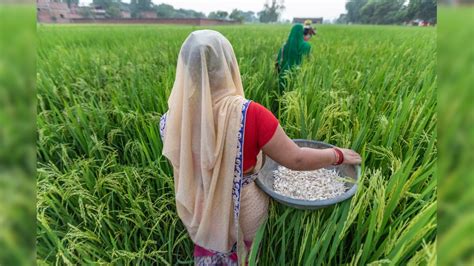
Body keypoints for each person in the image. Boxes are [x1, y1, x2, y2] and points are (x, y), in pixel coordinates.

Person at [159, 30, 361, 265]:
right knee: (248, 256)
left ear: (185, 66)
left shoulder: (172, 119)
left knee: (211, 250)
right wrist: (335, 155)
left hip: (201, 206)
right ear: (229, 63)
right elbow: (295, 159)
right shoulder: (250, 114)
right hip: (244, 207)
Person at [276, 22, 316, 90]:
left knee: (282, 94)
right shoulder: (306, 46)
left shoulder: (284, 46)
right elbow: (307, 62)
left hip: (283, 77)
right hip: (298, 77)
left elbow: (278, 61)